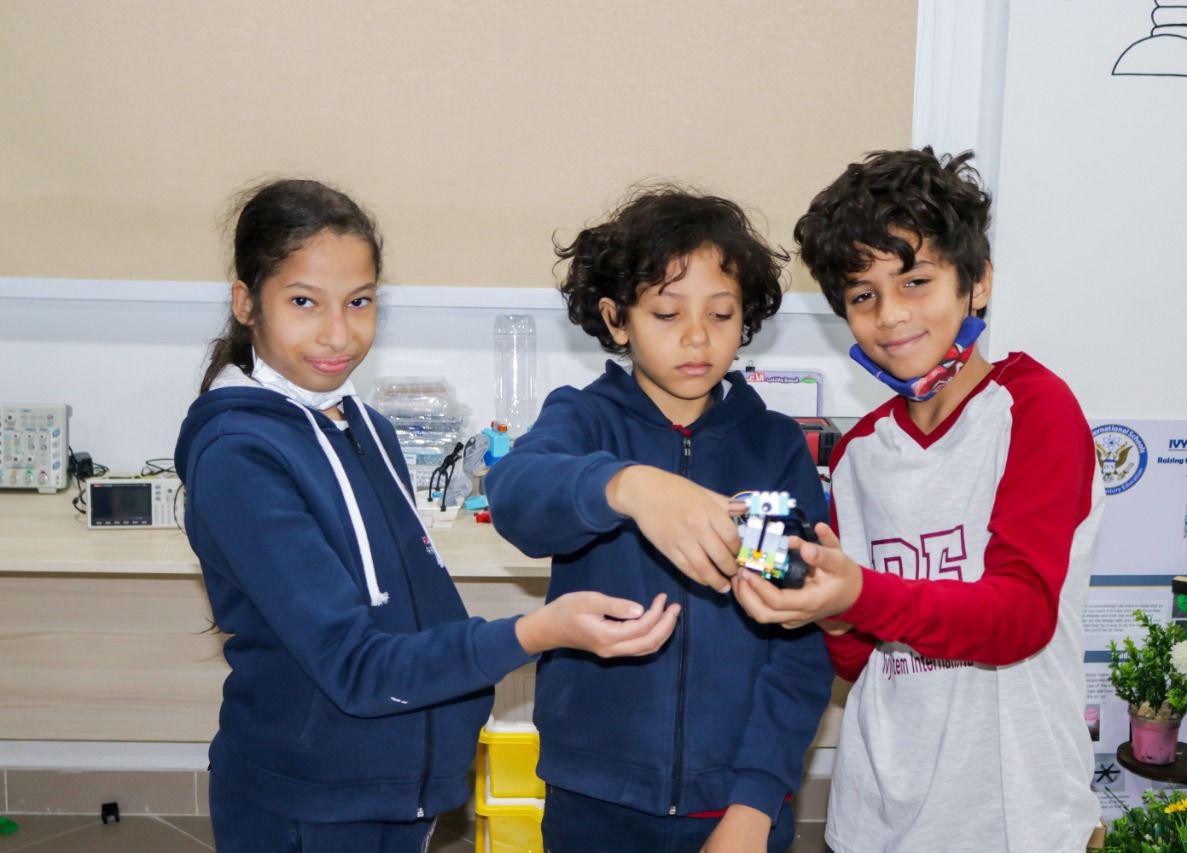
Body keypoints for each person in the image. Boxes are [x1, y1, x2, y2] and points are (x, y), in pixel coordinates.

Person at [174, 179, 680, 852]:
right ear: (247, 304)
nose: (337, 332)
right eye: (303, 302)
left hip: (397, 789)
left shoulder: (367, 426)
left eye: (359, 302)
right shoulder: (239, 455)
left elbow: (416, 607)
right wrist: (532, 632)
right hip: (312, 801)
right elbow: (354, 665)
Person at [733, 149, 1106, 851]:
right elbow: (861, 661)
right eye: (863, 295)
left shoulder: (1034, 410)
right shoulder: (859, 453)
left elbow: (1020, 616)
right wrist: (827, 607)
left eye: (916, 280)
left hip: (1017, 817)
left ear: (979, 282)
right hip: (876, 818)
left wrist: (859, 591)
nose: (892, 315)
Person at [485, 187, 833, 853]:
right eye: (667, 313)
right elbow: (516, 495)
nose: (697, 337)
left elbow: (798, 638)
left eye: (721, 314)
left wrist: (755, 804)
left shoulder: (771, 449)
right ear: (618, 320)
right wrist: (627, 485)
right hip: (593, 800)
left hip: (732, 806)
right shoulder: (586, 423)